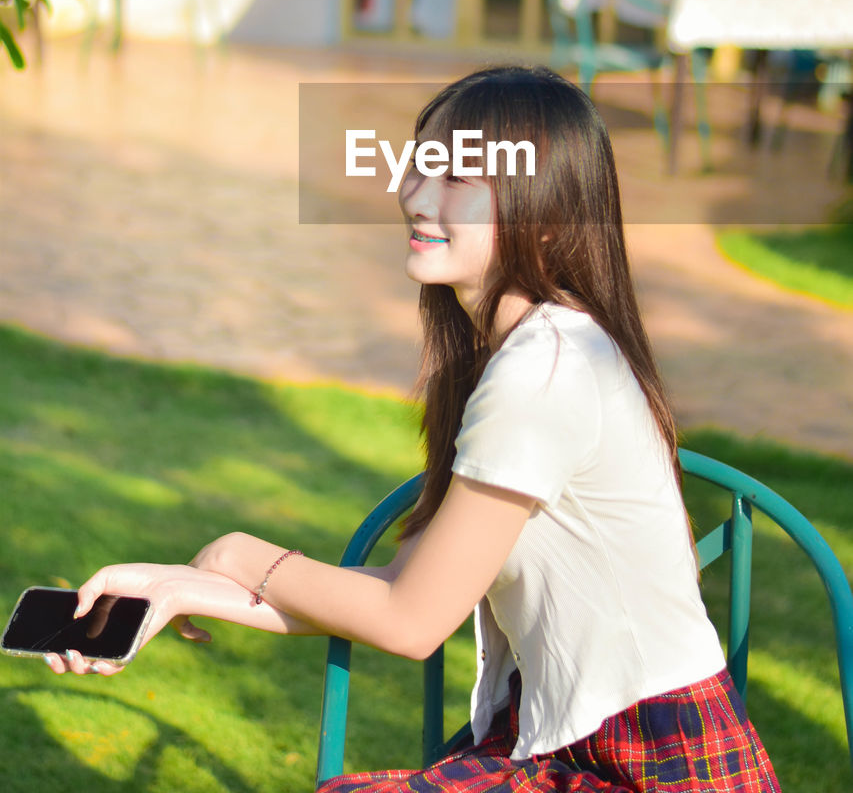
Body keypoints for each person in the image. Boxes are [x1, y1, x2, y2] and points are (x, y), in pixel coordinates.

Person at [44, 65, 781, 793]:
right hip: (586, 741)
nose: (419, 198)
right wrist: (173, 588)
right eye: (419, 165)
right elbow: (406, 589)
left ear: (548, 217)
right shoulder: (530, 353)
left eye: (460, 179)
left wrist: (239, 552)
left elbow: (410, 621)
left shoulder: (544, 372)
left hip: (655, 763)